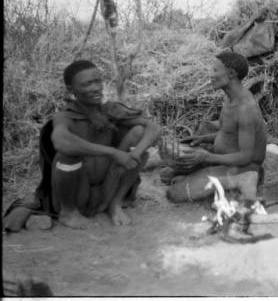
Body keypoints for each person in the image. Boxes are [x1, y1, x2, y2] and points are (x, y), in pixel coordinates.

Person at [4, 60, 161, 230]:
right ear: (71, 90)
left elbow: (153, 128)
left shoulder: (111, 110)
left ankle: (114, 205)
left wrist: (134, 155)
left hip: (108, 186)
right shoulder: (65, 117)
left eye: (98, 81)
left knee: (138, 135)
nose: (95, 88)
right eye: (87, 84)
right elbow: (61, 142)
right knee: (67, 155)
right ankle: (69, 214)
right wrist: (113, 153)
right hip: (76, 193)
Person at [162, 51, 267, 203]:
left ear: (231, 73)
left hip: (245, 167)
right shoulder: (230, 98)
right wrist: (203, 138)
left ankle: (242, 180)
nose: (211, 75)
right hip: (223, 160)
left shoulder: (245, 109)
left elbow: (246, 157)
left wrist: (207, 157)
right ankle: (211, 177)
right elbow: (229, 132)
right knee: (167, 175)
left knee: (174, 193)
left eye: (215, 70)